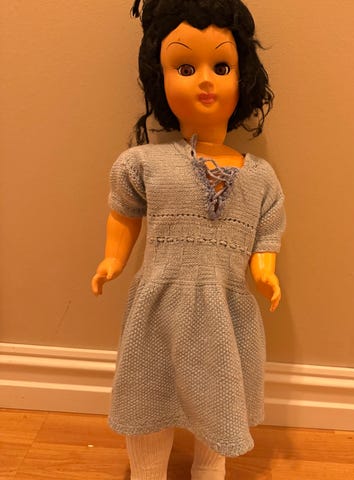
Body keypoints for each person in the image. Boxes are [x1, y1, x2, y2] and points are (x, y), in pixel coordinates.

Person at [91, 1, 285, 478]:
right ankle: (147, 471)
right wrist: (112, 259)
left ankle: (208, 470)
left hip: (225, 308)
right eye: (184, 67)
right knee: (147, 391)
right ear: (159, 79)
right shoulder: (144, 163)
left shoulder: (260, 177)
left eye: (221, 67)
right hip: (158, 303)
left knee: (219, 397)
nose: (205, 81)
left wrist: (265, 271)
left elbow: (266, 234)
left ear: (244, 78)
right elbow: (124, 215)